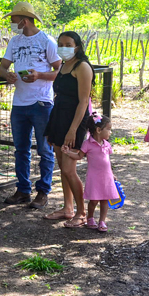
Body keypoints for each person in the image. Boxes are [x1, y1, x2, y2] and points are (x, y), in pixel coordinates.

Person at [0, 2, 61, 209]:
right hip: (19, 103)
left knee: (45, 149)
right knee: (21, 149)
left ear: (24, 21)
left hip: (41, 102)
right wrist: (7, 75)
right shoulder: (14, 42)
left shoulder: (46, 41)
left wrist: (40, 75)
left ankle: (43, 192)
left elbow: (60, 70)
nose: (12, 23)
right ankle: (23, 190)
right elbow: (2, 67)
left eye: (14, 19)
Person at [44, 31, 94, 228]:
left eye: (68, 44)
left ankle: (81, 213)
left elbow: (83, 102)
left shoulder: (83, 67)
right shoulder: (64, 65)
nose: (63, 47)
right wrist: (51, 127)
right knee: (62, 168)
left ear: (78, 46)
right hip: (58, 117)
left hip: (75, 120)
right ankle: (67, 208)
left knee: (68, 168)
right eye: (60, 44)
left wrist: (73, 130)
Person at [62, 114, 118, 233]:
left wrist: (111, 174)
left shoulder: (107, 144)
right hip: (94, 178)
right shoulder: (87, 144)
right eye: (108, 129)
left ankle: (102, 221)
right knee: (93, 200)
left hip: (106, 177)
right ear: (98, 130)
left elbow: (107, 161)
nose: (110, 132)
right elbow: (79, 156)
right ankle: (90, 217)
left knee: (105, 200)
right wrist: (68, 153)